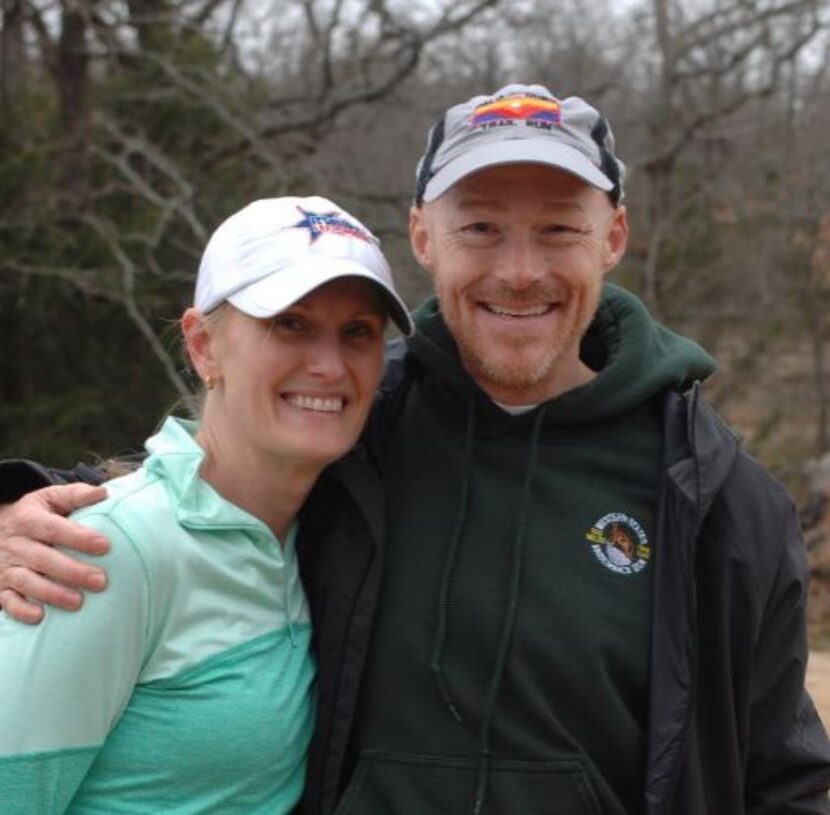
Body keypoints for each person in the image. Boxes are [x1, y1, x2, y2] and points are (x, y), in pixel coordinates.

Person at [1, 83, 829, 814]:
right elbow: (197, 486)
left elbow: (782, 778)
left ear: (611, 238)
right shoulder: (355, 423)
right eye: (479, 227)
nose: (518, 270)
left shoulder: (715, 496)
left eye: (556, 229)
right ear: (423, 238)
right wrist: (16, 499)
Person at [0, 195, 413, 814]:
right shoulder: (106, 549)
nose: (329, 365)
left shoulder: (319, 533)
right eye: (290, 323)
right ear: (202, 345)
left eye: (357, 332)